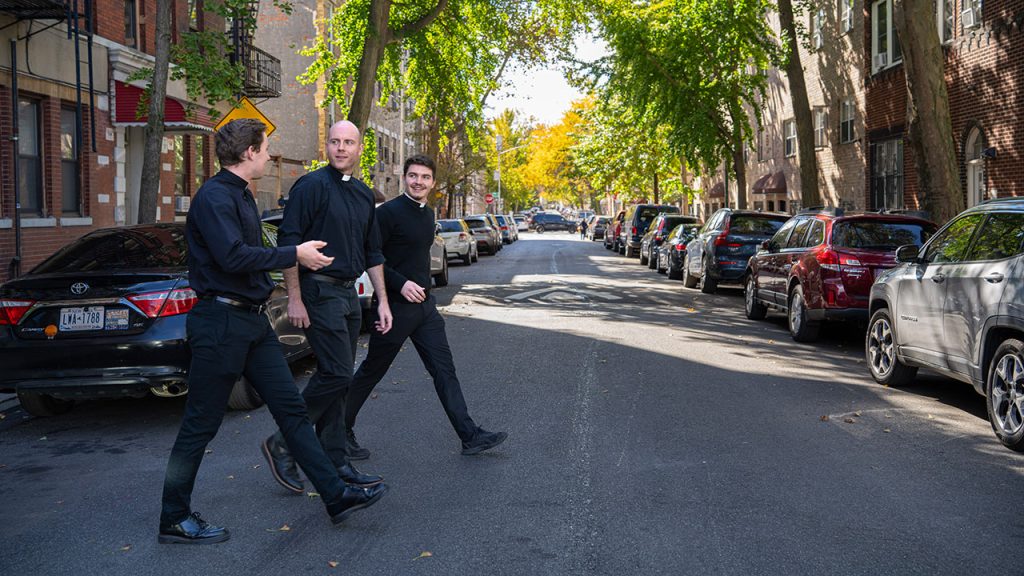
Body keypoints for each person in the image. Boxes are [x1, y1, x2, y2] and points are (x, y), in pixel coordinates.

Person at [158, 119, 386, 545]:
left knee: (293, 412)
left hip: (252, 321)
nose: (267, 156)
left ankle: (335, 495)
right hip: (220, 324)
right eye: (264, 150)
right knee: (200, 425)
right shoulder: (213, 197)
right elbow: (232, 256)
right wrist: (293, 254)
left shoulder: (242, 195)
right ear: (248, 153)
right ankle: (174, 516)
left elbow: (251, 253)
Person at [260, 120, 393, 494]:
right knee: (336, 374)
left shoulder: (365, 194)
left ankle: (335, 462)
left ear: (360, 148)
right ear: (327, 145)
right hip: (318, 292)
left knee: (339, 379)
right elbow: (289, 242)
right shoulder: (310, 186)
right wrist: (296, 297)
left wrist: (382, 300)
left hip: (351, 295)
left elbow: (373, 252)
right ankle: (283, 443)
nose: (340, 148)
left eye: (348, 142)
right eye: (334, 141)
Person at [344, 154, 507, 459]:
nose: (418, 181)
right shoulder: (387, 214)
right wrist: (400, 284)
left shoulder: (428, 213)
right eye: (413, 176)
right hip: (393, 308)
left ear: (432, 183)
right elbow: (371, 256)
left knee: (445, 370)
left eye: (425, 177)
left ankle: (469, 435)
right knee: (371, 371)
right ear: (404, 178)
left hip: (425, 310)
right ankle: (340, 429)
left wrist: (420, 289)